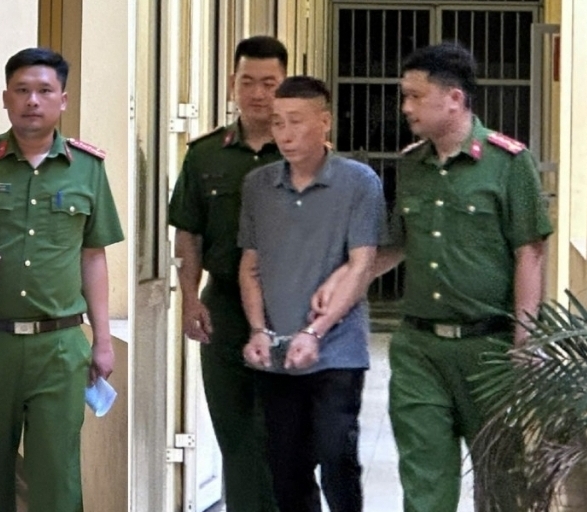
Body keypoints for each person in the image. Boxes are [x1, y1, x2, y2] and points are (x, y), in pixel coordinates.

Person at [360, 42, 551, 512]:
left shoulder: (510, 163)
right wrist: (341, 283)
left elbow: (530, 252)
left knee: (501, 485)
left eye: (415, 96)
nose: (406, 108)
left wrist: (524, 343)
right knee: (424, 484)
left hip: (489, 351)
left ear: (455, 98)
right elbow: (398, 245)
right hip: (419, 350)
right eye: (404, 96)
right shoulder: (411, 164)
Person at [0, 47, 124, 512]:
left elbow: (93, 256)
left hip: (59, 346)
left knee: (56, 474)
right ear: (6, 98)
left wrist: (103, 340)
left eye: (44, 91)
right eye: (22, 90)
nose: (32, 100)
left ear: (62, 100)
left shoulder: (88, 167)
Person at [240, 76, 386, 512]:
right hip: (277, 350)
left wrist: (316, 331)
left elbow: (361, 264)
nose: (284, 134)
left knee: (336, 454)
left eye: (296, 121)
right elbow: (250, 267)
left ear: (324, 122)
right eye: (277, 122)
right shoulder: (258, 186)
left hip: (338, 349)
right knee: (286, 466)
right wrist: (258, 330)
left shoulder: (358, 182)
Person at [167, 35, 287, 512]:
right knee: (235, 436)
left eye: (269, 83)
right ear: (232, 83)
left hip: (290, 309)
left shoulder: (304, 153)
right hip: (225, 309)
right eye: (248, 82)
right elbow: (188, 234)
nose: (257, 93)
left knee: (282, 435)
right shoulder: (205, 155)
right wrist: (190, 299)